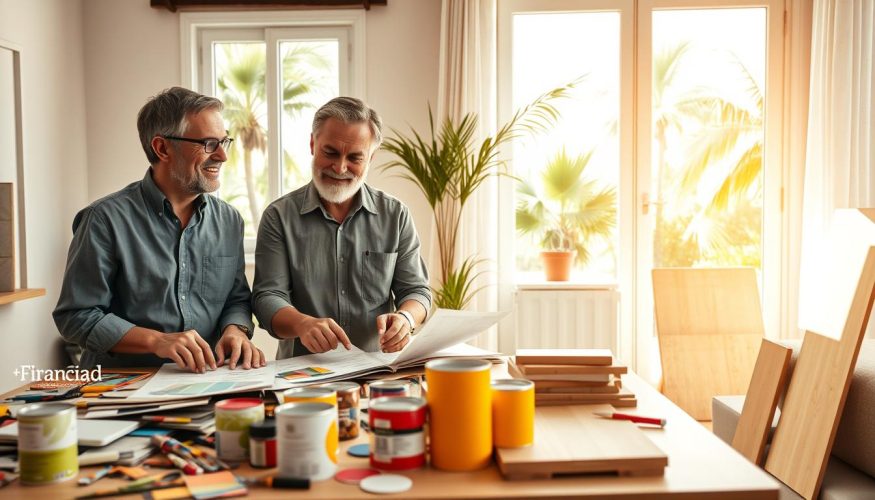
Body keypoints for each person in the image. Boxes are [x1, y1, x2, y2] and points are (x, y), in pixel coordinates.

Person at [54, 87, 265, 373]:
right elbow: (76, 316)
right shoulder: (103, 220)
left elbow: (236, 299)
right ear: (162, 148)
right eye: (208, 144)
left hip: (207, 383)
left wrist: (235, 330)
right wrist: (157, 341)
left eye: (223, 142)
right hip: (123, 392)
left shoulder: (229, 221)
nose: (222, 156)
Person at [252, 97, 431, 358]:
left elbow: (416, 291)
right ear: (313, 144)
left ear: (371, 157)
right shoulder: (278, 217)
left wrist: (406, 318)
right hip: (303, 374)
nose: (340, 167)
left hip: (377, 370)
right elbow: (267, 298)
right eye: (331, 152)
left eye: (355, 157)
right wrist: (302, 324)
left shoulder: (396, 215)